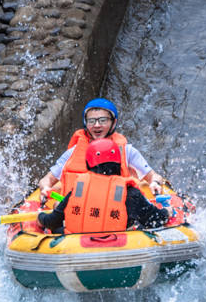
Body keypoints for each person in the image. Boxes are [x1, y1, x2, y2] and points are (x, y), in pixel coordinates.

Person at [36, 98, 166, 201]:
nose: (97, 125)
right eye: (91, 121)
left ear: (113, 123)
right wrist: (46, 188)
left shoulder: (127, 151)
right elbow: (46, 180)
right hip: (77, 211)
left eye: (103, 120)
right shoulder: (73, 152)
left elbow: (154, 176)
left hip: (117, 212)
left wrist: (154, 183)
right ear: (85, 123)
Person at [36, 138, 170, 234]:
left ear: (88, 164)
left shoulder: (79, 188)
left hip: (76, 246)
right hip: (119, 246)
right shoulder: (130, 193)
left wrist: (40, 218)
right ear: (118, 163)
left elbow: (53, 221)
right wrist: (167, 212)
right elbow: (154, 220)